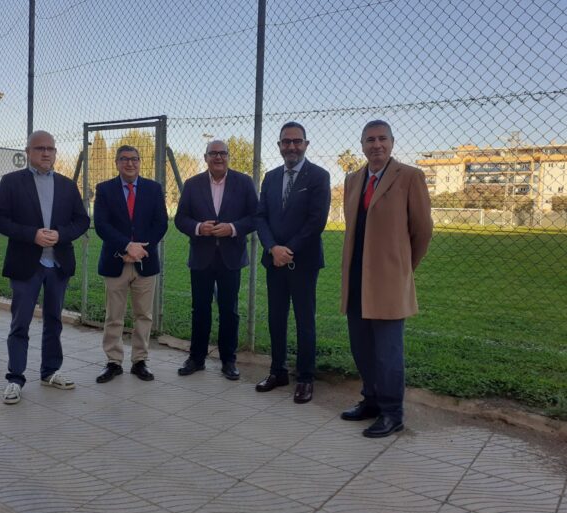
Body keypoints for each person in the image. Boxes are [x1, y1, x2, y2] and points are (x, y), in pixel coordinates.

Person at [340, 120, 433, 437]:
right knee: (361, 347)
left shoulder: (409, 177)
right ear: (362, 145)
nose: (376, 145)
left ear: (392, 143)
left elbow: (422, 231)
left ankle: (393, 413)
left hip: (389, 281)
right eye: (369, 140)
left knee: (388, 352)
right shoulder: (353, 180)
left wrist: (402, 267)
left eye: (382, 139)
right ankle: (372, 401)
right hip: (356, 279)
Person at [0, 130, 90, 405]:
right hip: (26, 264)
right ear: (28, 152)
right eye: (40, 148)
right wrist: (31, 234)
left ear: (56, 152)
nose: (46, 153)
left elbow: (82, 221)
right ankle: (15, 379)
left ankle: (50, 372)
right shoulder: (11, 182)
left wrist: (61, 234)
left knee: (54, 320)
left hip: (57, 264)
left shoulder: (68, 185)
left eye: (51, 149)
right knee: (20, 322)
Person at [254, 122, 331, 403]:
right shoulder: (271, 177)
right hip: (274, 261)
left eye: (297, 141)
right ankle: (278, 371)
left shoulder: (319, 176)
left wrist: (289, 250)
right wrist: (273, 248)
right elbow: (260, 216)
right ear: (279, 146)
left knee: (304, 320)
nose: (292, 147)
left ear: (306, 144)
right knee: (276, 318)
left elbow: (316, 221)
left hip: (304, 261)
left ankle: (306, 377)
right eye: (286, 142)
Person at [174, 140, 258, 380]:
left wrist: (232, 228)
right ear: (205, 157)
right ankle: (196, 358)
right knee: (200, 309)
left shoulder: (243, 183)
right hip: (201, 257)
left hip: (230, 257)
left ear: (228, 156)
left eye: (222, 153)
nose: (218, 157)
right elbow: (181, 219)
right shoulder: (192, 184)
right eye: (213, 153)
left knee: (229, 311)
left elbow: (255, 216)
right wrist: (200, 227)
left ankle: (228, 360)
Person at [94, 145, 168, 383]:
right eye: (124, 159)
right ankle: (113, 362)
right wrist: (126, 247)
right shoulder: (104, 189)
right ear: (116, 162)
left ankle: (140, 361)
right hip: (117, 261)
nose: (129, 163)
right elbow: (102, 225)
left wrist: (140, 250)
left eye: (134, 159)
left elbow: (161, 223)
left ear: (140, 162)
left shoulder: (154, 189)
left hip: (145, 262)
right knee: (114, 316)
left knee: (143, 315)